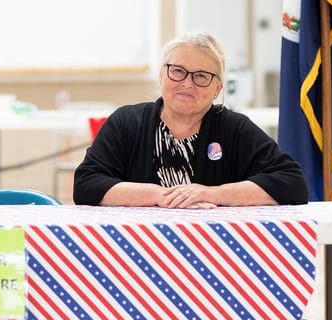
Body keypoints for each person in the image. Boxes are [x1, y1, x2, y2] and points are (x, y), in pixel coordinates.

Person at [74, 32, 307, 209]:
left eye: (201, 76)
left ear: (218, 89)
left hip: (215, 248)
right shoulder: (126, 122)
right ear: (161, 75)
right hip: (135, 246)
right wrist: (160, 195)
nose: (187, 83)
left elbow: (292, 183)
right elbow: (86, 184)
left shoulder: (234, 128)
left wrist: (212, 194)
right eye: (178, 71)